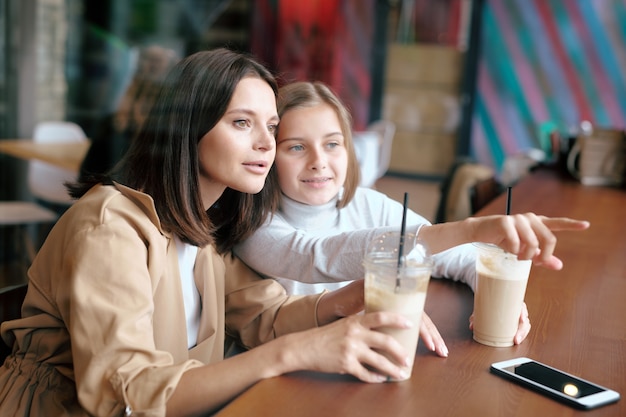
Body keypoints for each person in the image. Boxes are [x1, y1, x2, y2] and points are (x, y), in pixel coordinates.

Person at [0, 50, 421, 417]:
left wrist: (353, 298)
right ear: (189, 127)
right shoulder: (110, 228)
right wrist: (292, 354)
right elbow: (123, 395)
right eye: (242, 123)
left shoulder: (201, 222)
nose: (265, 144)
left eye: (272, 127)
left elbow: (264, 315)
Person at [233, 81, 590, 356]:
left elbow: (458, 257)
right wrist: (469, 229)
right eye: (296, 146)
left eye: (332, 144)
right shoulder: (253, 224)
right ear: (267, 153)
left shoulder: (368, 204)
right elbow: (318, 255)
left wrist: (500, 299)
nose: (318, 161)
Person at [79, 45, 180, 181]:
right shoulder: (112, 127)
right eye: (145, 60)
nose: (149, 65)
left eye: (156, 61)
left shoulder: (170, 128)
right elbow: (87, 177)